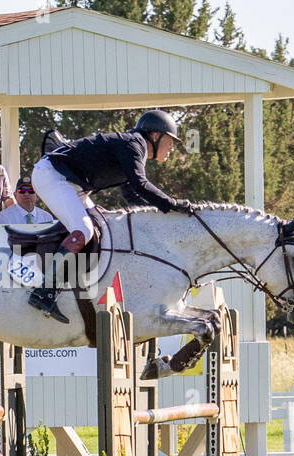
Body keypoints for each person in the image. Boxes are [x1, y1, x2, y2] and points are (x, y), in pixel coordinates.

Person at [27, 109, 191, 321]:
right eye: (170, 141)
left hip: (73, 184)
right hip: (52, 175)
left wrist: (158, 218)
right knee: (84, 229)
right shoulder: (134, 144)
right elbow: (141, 186)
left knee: (102, 226)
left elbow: (133, 196)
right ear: (155, 135)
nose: (171, 149)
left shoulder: (133, 148)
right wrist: (172, 204)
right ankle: (44, 291)